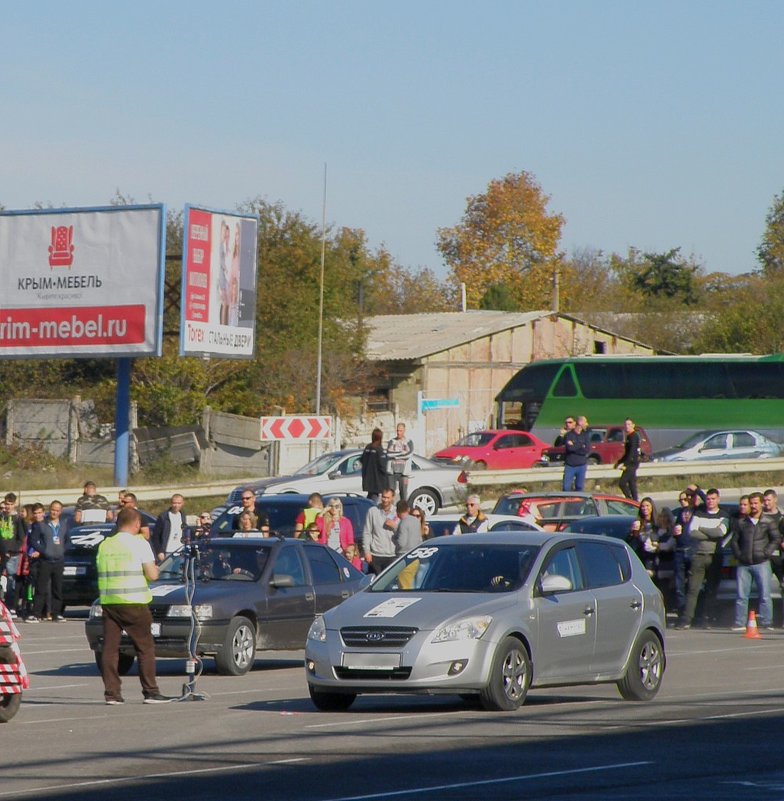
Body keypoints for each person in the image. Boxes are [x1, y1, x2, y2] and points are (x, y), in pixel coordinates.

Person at [96, 507, 174, 704]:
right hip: (134, 602)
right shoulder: (139, 543)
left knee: (110, 649)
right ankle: (151, 691)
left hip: (109, 602)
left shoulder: (106, 545)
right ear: (137, 524)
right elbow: (152, 575)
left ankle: (112, 694)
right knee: (145, 648)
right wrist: (156, 569)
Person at [677, 488, 729, 630]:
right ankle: (687, 619)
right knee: (693, 589)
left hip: (715, 556)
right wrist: (710, 533)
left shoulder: (724, 515)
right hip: (698, 555)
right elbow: (692, 532)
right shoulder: (699, 513)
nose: (710, 501)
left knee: (711, 589)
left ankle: (706, 618)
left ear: (718, 499)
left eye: (713, 499)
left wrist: (703, 529)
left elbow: (720, 532)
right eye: (708, 499)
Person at [731, 491, 780, 632]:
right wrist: (739, 555)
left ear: (761, 504)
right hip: (744, 564)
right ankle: (739, 622)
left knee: (765, 594)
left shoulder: (767, 521)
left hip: (761, 562)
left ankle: (766, 622)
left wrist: (766, 553)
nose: (753, 506)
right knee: (741, 595)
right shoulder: (741, 523)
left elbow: (776, 538)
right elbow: (734, 541)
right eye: (751, 503)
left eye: (755, 503)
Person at [27, 501, 68, 623]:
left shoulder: (64, 524)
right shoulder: (41, 524)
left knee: (57, 588)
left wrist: (62, 550)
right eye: (52, 510)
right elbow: (32, 541)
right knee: (41, 588)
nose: (54, 512)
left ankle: (56, 614)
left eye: (57, 510)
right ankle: (36, 614)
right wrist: (43, 551)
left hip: (59, 560)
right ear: (49, 510)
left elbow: (68, 540)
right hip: (45, 560)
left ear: (60, 512)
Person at [0, 493, 26, 617]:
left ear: (14, 504)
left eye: (11, 504)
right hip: (1, 553)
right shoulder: (1, 517)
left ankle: (11, 606)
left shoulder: (18, 519)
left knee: (11, 581)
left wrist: (11, 550)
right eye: (7, 504)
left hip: (13, 555)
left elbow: (21, 538)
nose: (8, 507)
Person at [361, 488, 398, 574]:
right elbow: (367, 533)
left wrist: (395, 526)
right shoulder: (373, 511)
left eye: (388, 498)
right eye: (383, 497)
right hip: (376, 555)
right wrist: (367, 552)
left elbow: (403, 533)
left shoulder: (397, 512)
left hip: (392, 555)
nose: (385, 500)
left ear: (393, 498)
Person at [627, 497, 659, 578]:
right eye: (643, 506)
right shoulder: (638, 522)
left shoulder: (657, 522)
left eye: (647, 506)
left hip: (654, 555)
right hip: (640, 555)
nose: (645, 508)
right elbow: (630, 540)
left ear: (652, 507)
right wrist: (633, 531)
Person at [152, 494, 188, 563]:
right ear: (171, 503)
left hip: (180, 551)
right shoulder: (163, 516)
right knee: (166, 573)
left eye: (179, 503)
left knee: (179, 573)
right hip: (167, 551)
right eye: (174, 503)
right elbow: (156, 536)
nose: (176, 505)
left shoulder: (182, 515)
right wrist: (159, 551)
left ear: (183, 503)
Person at [614, 418, 642, 501]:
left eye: (629, 424)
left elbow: (632, 452)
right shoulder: (629, 436)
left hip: (632, 463)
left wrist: (625, 464)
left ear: (633, 425)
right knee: (631, 483)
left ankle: (629, 500)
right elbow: (627, 453)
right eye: (625, 424)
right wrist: (619, 462)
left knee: (622, 483)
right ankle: (635, 501)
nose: (627, 426)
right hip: (630, 462)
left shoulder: (634, 436)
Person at [386, 423, 414, 501]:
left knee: (403, 494)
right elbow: (388, 454)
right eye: (397, 430)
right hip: (392, 472)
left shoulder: (408, 442)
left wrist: (395, 456)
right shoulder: (392, 441)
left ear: (404, 431)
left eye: (401, 431)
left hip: (403, 472)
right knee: (390, 493)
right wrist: (401, 453)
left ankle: (403, 510)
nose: (398, 432)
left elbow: (408, 454)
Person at [562, 415, 590, 492]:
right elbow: (569, 448)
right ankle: (565, 502)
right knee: (566, 487)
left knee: (579, 487)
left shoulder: (585, 435)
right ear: (580, 423)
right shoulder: (569, 435)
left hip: (581, 465)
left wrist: (575, 445)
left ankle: (578, 503)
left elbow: (587, 450)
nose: (587, 424)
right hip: (570, 465)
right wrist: (581, 445)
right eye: (585, 422)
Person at [360, 428, 387, 502]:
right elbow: (383, 465)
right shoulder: (379, 449)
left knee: (370, 497)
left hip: (367, 479)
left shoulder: (367, 447)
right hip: (376, 480)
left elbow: (361, 459)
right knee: (374, 500)